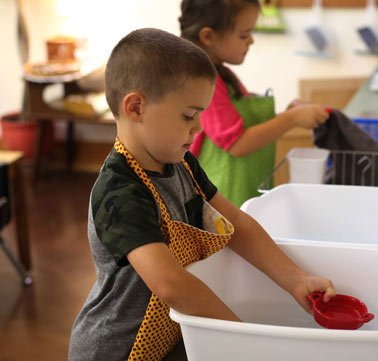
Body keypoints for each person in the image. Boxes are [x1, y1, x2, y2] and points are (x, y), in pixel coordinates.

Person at [68, 28, 335, 361]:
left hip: (171, 335)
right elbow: (170, 284)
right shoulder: (120, 191)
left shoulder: (182, 165)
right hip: (116, 349)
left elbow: (235, 222)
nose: (198, 128)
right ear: (136, 107)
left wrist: (296, 279)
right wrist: (242, 337)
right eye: (188, 116)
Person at [179, 0, 330, 206]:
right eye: (243, 35)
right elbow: (237, 144)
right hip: (221, 198)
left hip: (240, 190)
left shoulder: (222, 76)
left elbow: (246, 130)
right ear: (208, 36)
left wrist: (287, 115)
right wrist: (291, 119)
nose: (250, 42)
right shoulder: (200, 82)